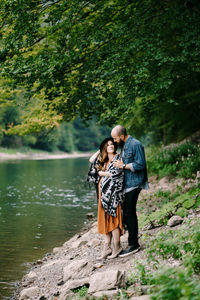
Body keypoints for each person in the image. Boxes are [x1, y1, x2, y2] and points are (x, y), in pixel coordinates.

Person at [111, 125, 148, 257]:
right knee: (126, 213)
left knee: (129, 212)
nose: (114, 141)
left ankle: (134, 244)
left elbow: (141, 164)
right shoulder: (124, 145)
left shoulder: (135, 144)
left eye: (115, 138)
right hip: (127, 184)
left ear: (121, 136)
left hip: (135, 183)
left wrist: (124, 166)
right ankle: (132, 240)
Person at [88, 137, 124, 259]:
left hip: (113, 196)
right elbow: (91, 160)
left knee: (113, 222)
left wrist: (103, 173)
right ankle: (107, 248)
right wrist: (100, 150)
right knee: (106, 222)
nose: (111, 146)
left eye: (112, 144)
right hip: (103, 197)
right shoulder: (104, 161)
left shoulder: (117, 157)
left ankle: (117, 246)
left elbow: (118, 173)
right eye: (108, 145)